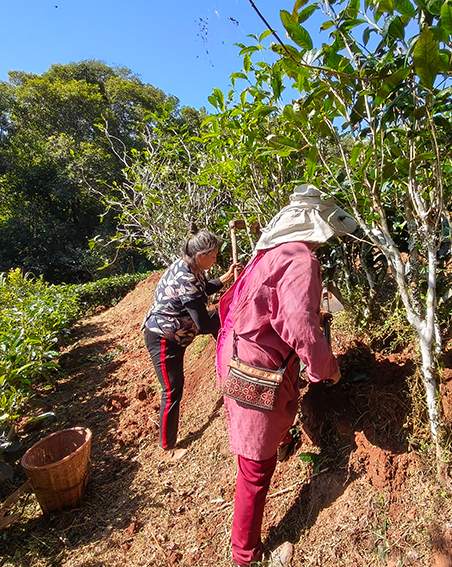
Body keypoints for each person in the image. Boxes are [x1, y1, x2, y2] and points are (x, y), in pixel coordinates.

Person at [215, 184, 357, 566]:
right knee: (255, 468)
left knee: (257, 452)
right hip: (256, 368)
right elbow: (298, 324)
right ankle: (245, 555)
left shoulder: (276, 253)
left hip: (240, 354)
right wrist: (327, 368)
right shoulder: (301, 259)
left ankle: (279, 442)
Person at [143, 226, 237, 461]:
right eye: (213, 257)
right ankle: (167, 447)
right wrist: (230, 317)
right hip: (164, 339)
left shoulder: (191, 266)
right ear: (201, 255)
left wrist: (224, 279)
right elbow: (203, 323)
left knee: (220, 319)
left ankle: (230, 359)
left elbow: (202, 290)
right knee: (172, 389)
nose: (215, 260)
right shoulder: (185, 277)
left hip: (179, 331)